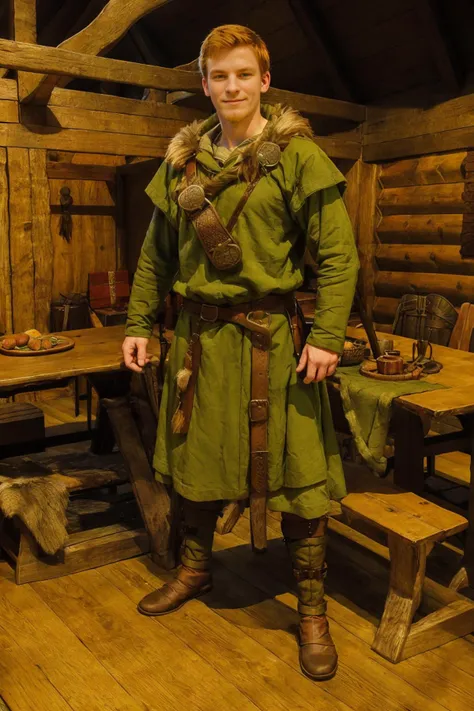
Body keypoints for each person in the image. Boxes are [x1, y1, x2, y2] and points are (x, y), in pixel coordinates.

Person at [123, 24, 359, 681]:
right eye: (218, 76)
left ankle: (311, 610)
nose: (231, 86)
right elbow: (155, 255)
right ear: (204, 83)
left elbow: (339, 256)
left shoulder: (298, 158)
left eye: (242, 75)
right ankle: (194, 568)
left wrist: (331, 336)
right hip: (198, 344)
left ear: (264, 80)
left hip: (273, 346)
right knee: (194, 459)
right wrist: (139, 321)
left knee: (301, 474)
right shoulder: (183, 163)